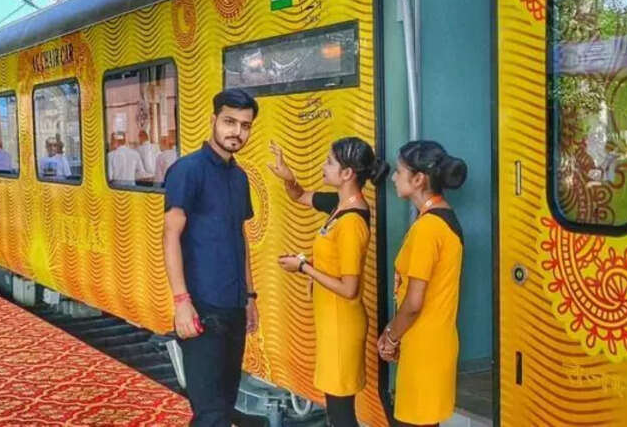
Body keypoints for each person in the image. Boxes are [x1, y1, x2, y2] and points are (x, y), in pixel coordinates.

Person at [270, 137, 389, 427]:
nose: (323, 166)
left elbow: (349, 289)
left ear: (347, 173)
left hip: (342, 324)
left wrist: (303, 267)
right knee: (336, 409)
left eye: (329, 162)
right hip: (331, 320)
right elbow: (300, 196)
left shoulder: (351, 222)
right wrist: (288, 177)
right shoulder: (339, 205)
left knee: (341, 413)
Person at [162, 88, 259, 426]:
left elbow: (239, 236)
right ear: (213, 120)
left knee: (224, 404)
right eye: (230, 122)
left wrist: (250, 297)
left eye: (245, 126)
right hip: (201, 306)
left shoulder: (239, 177)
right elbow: (170, 235)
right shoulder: (188, 170)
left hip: (233, 306)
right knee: (210, 413)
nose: (237, 132)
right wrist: (181, 302)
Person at [378, 140, 467, 427]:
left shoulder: (428, 228)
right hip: (436, 343)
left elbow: (415, 303)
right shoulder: (443, 219)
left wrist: (391, 336)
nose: (393, 177)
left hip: (423, 348)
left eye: (399, 171)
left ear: (418, 179)